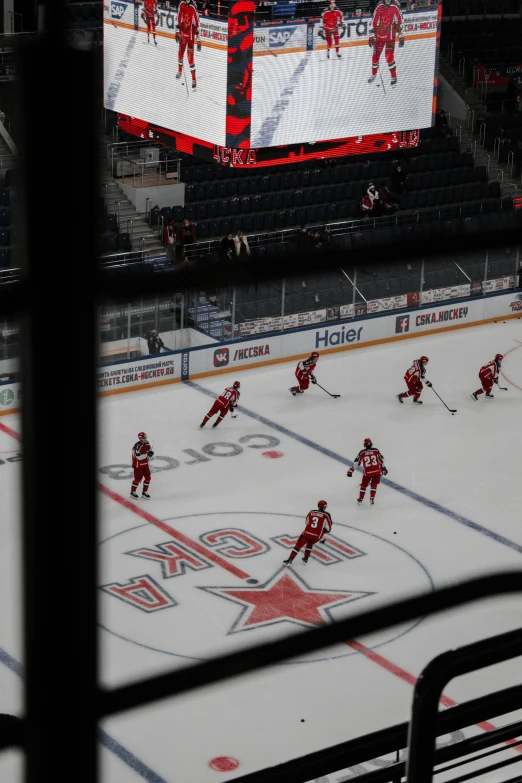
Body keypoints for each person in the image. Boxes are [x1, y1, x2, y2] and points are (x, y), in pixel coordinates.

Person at [368, 0, 404, 88]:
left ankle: (393, 77)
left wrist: (401, 36)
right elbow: (373, 22)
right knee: (375, 57)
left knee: (389, 56)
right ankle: (374, 74)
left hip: (390, 36)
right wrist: (371, 36)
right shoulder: (379, 6)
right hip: (379, 36)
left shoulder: (395, 6)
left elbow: (399, 22)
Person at [283, 500, 332, 565]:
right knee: (310, 544)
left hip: (307, 533)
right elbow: (329, 529)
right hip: (317, 536)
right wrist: (322, 531)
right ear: (325, 507)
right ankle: (306, 558)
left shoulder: (311, 512)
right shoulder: (326, 515)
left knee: (298, 545)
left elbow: (306, 522)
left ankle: (290, 559)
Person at [346, 438, 388, 506]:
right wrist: (384, 468)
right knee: (374, 485)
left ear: (364, 444)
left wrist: (351, 470)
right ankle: (372, 498)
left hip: (367, 473)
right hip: (377, 471)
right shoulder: (376, 450)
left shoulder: (362, 452)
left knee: (363, 486)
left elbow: (357, 463)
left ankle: (360, 499)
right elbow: (381, 460)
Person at [176, 0, 200, 90]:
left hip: (190, 39)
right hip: (182, 37)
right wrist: (177, 32)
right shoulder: (181, 5)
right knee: (180, 55)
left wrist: (198, 40)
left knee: (190, 60)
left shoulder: (193, 8)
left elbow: (197, 27)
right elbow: (178, 19)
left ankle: (194, 79)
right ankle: (180, 71)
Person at [130, 432, 154, 499]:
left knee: (148, 477)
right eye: (143, 438)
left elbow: (149, 450)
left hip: (145, 464)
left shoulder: (147, 443)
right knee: (137, 479)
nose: (145, 439)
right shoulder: (137, 446)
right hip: (138, 465)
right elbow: (138, 457)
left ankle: (144, 492)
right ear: (140, 438)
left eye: (145, 437)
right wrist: (147, 454)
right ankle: (132, 492)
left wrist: (151, 453)